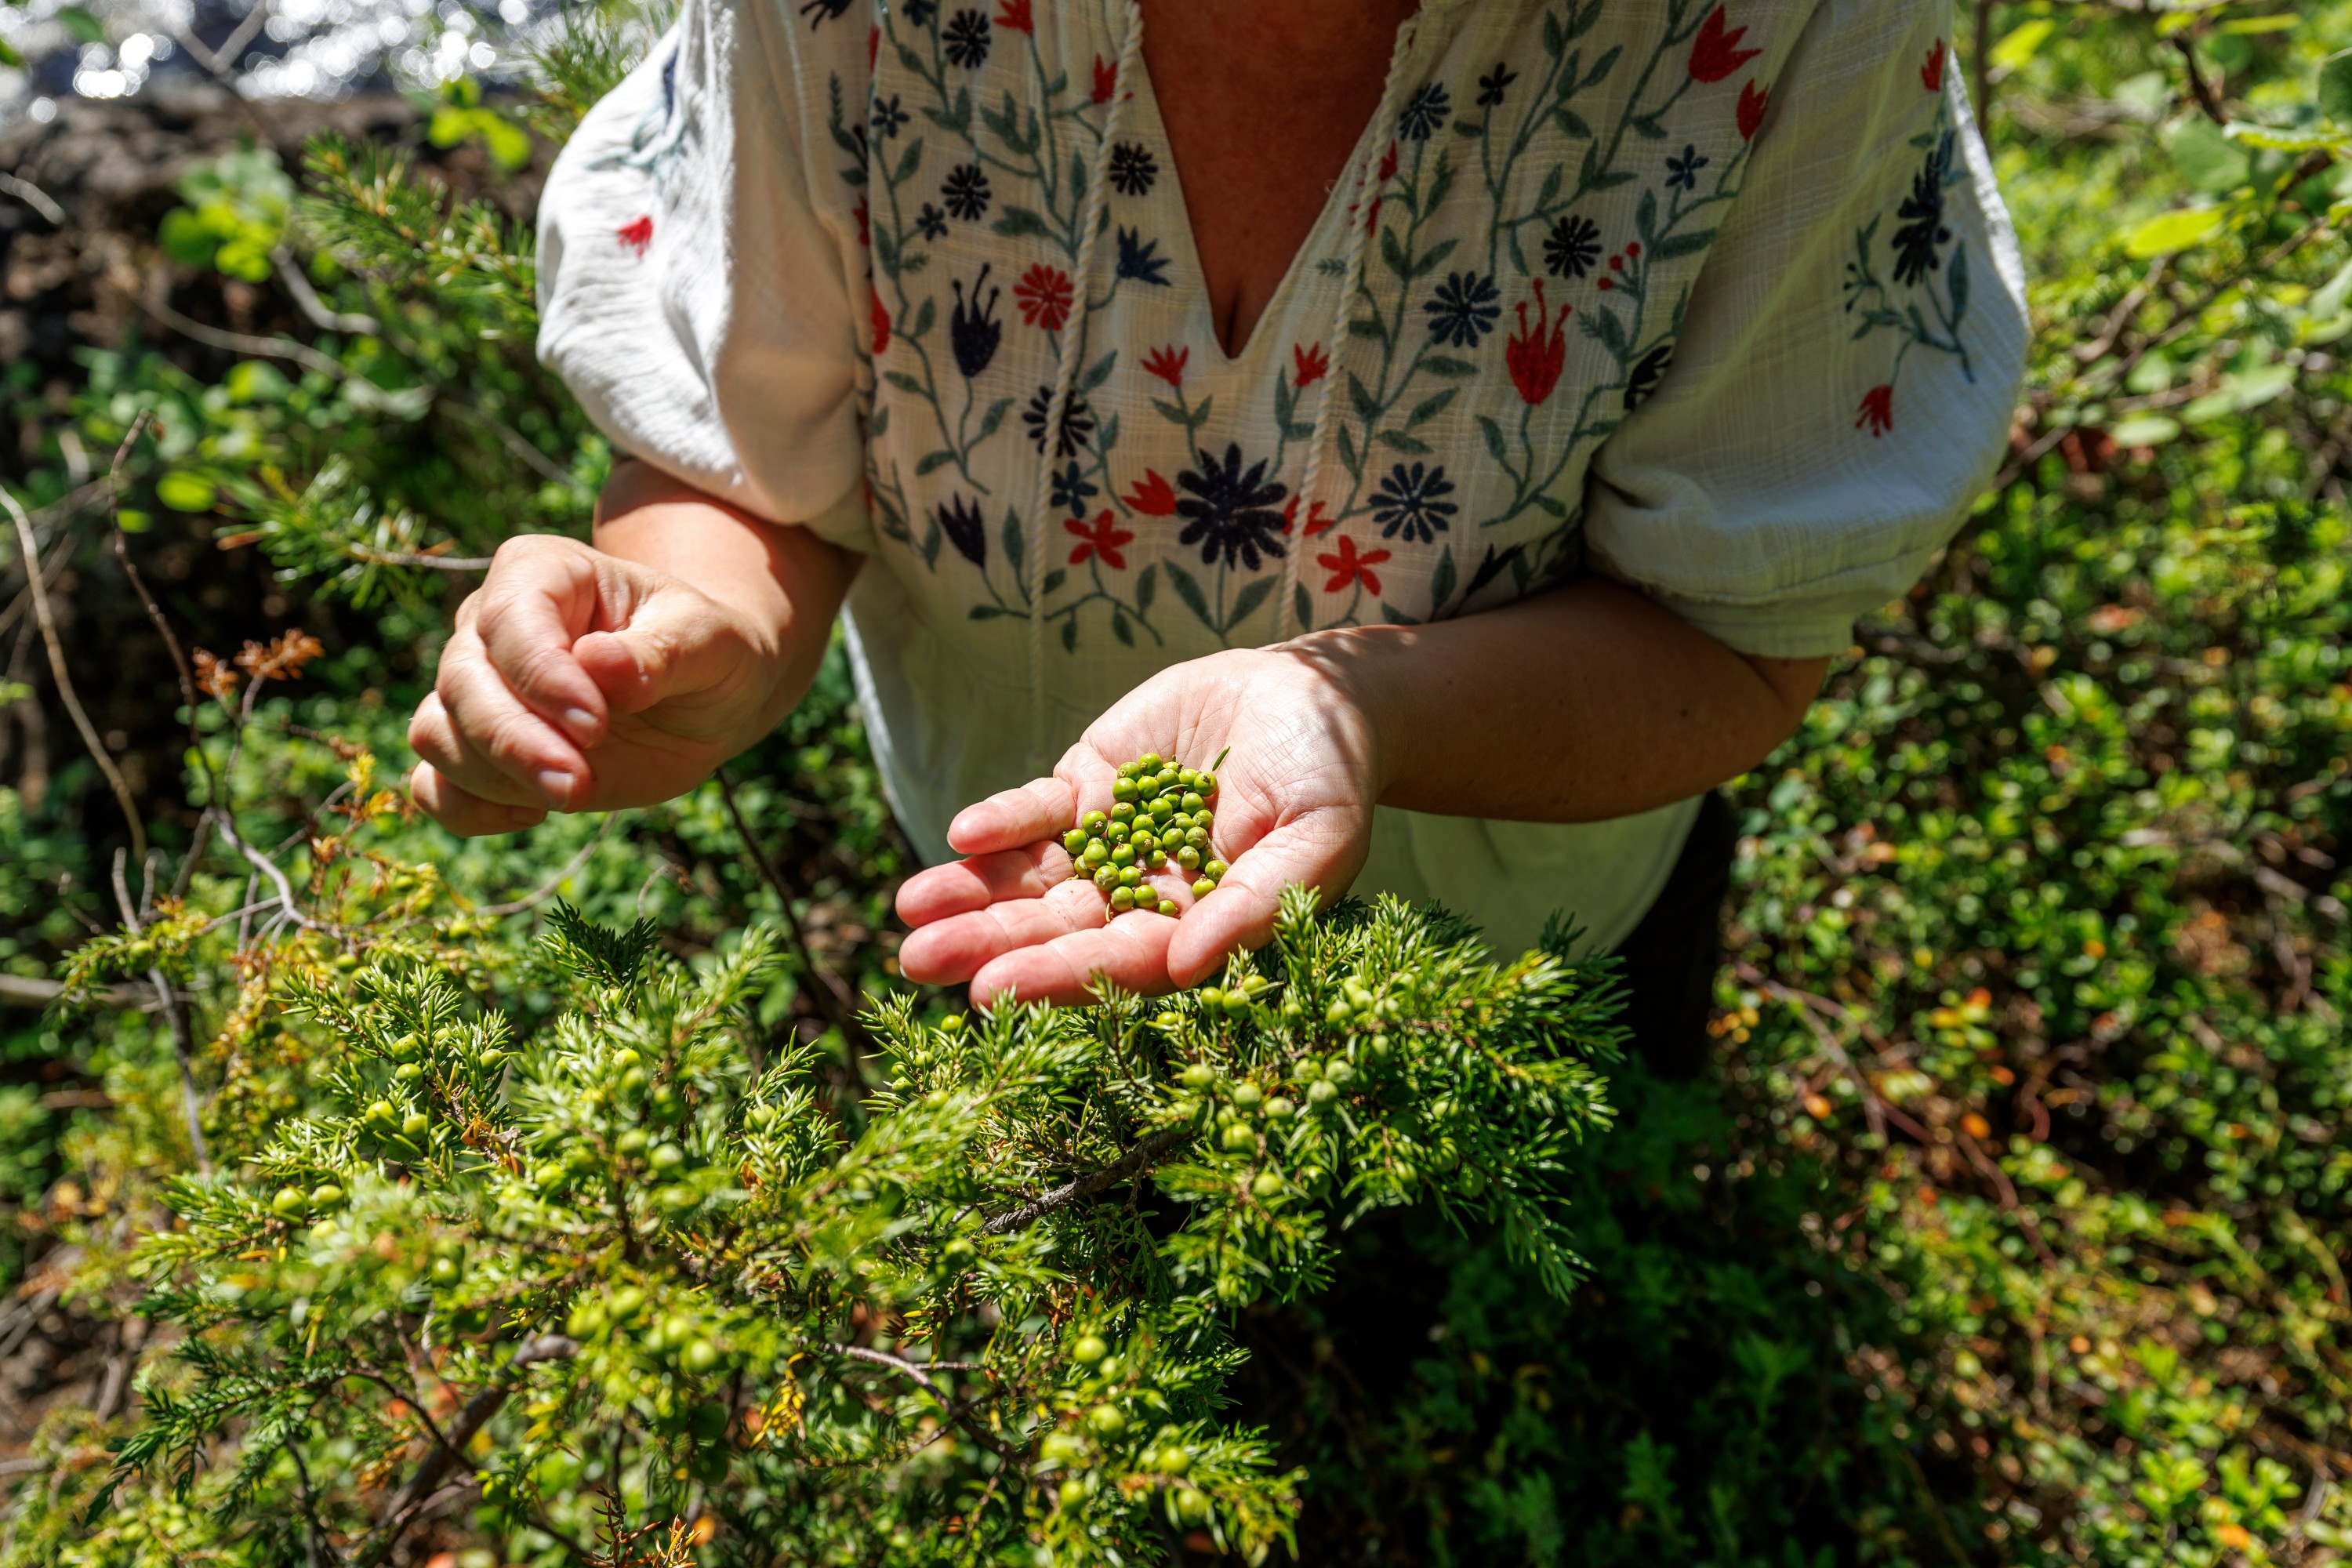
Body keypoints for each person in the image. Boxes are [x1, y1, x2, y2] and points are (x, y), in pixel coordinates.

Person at [407, 0, 2026, 1068]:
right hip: (1010, 888)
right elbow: (750, 451)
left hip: (1513, 964)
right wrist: (694, 627)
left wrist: (1357, 712)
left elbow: (1728, 639)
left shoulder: (1795, 30)